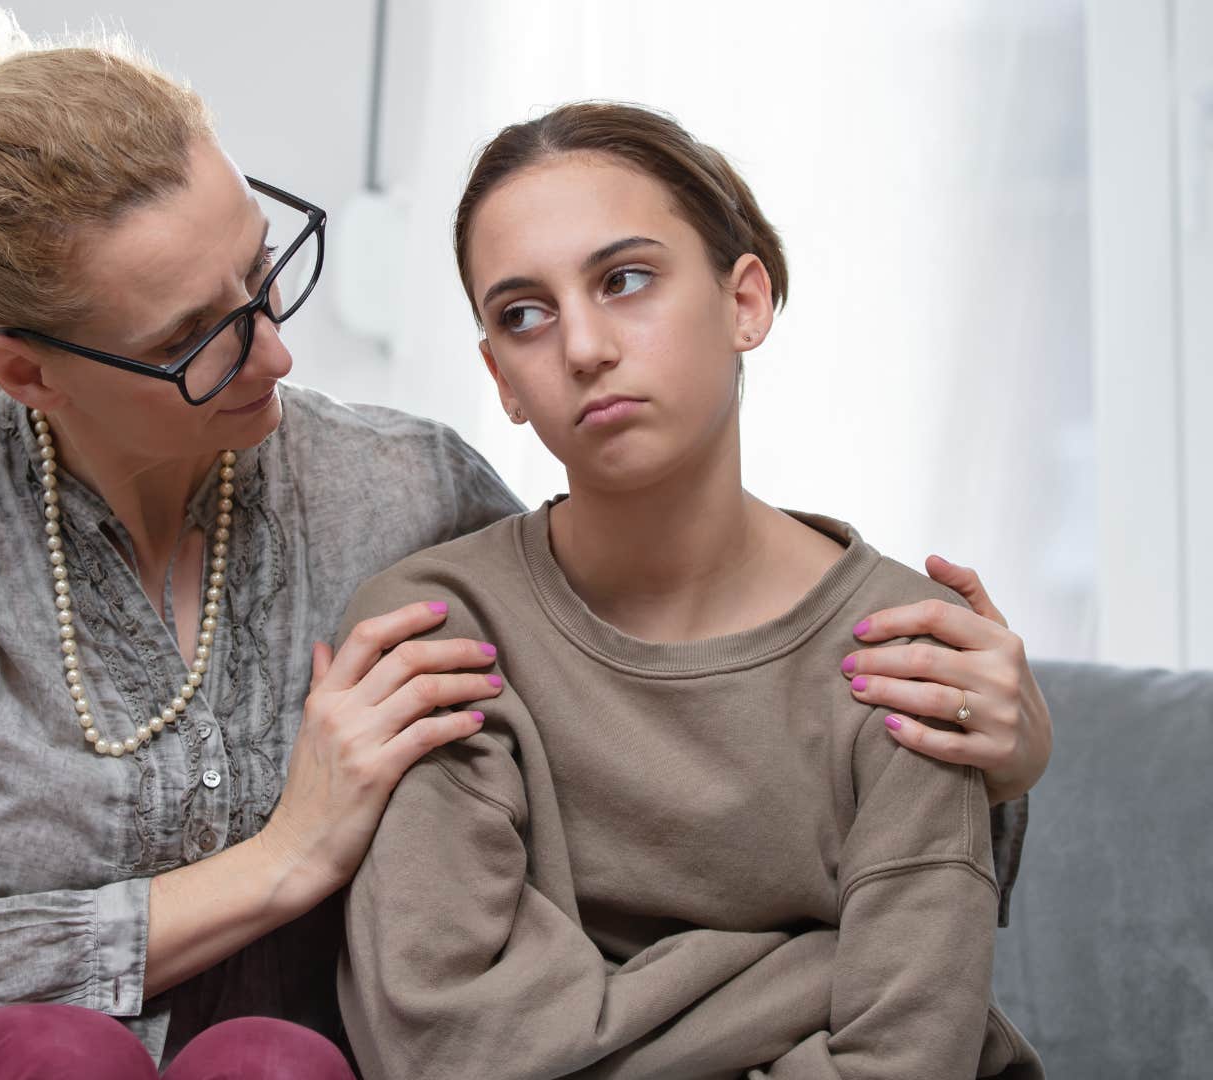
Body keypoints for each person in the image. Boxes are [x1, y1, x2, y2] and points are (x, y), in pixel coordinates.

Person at [0, 9, 1052, 1078]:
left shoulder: (405, 492)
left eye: (264, 269)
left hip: (267, 1070)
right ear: (27, 374)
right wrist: (287, 857)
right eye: (194, 339)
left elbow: (656, 713)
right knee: (69, 1056)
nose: (276, 349)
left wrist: (1004, 772)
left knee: (279, 1063)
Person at [334, 101, 1045, 1078]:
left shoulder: (912, 653)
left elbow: (903, 1062)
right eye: (525, 314)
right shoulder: (435, 630)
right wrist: (813, 971)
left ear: (744, 301)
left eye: (625, 280)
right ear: (500, 376)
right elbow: (451, 1047)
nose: (582, 347)